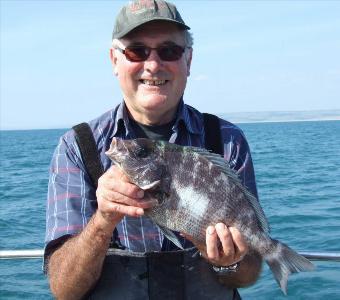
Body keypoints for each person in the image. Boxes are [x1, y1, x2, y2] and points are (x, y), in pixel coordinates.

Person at [44, 0, 262, 299]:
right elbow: (63, 290)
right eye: (137, 51)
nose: (153, 64)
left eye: (169, 51)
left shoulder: (226, 140)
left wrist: (227, 263)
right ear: (114, 60)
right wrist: (103, 221)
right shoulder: (78, 146)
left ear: (188, 61)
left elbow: (248, 273)